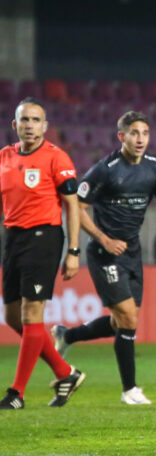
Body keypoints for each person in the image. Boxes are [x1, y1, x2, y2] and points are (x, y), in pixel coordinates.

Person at [51, 110, 156, 405]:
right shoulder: (104, 170)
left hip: (132, 252)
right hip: (105, 253)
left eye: (144, 133)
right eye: (134, 133)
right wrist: (104, 239)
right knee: (129, 318)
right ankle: (129, 390)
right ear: (121, 136)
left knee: (123, 323)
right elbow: (76, 207)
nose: (140, 138)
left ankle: (67, 336)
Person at [0, 98, 86, 409]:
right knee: (13, 317)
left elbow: (72, 205)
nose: (30, 126)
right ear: (15, 125)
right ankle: (66, 373)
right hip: (13, 239)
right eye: (25, 120)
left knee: (31, 315)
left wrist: (74, 250)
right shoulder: (4, 158)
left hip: (44, 237)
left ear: (45, 127)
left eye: (36, 120)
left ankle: (16, 393)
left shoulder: (55, 157)